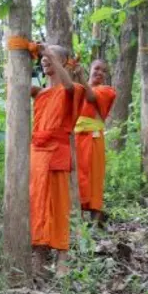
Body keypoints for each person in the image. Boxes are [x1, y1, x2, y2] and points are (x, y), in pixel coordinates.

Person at [30, 45, 90, 277]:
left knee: (58, 205)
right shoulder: (40, 92)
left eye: (51, 56)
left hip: (56, 152)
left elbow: (66, 85)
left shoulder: (74, 89)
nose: (45, 60)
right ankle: (39, 257)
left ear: (64, 62)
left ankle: (62, 258)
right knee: (37, 204)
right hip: (36, 153)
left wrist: (49, 53)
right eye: (44, 57)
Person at [74, 59, 116, 226]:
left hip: (94, 138)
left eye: (103, 71)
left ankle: (95, 221)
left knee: (94, 177)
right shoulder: (77, 88)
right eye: (96, 68)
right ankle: (77, 220)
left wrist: (81, 78)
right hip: (75, 139)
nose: (99, 72)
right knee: (77, 177)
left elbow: (90, 96)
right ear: (90, 69)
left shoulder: (107, 91)